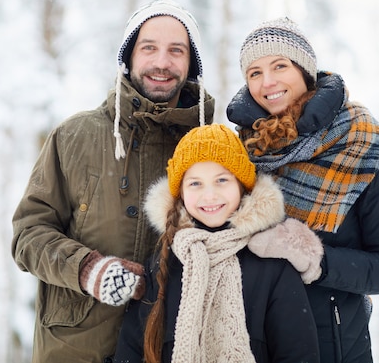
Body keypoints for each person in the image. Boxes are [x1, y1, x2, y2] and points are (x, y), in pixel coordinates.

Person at [11, 0, 215, 363]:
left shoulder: (209, 148)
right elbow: (29, 234)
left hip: (169, 350)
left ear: (191, 64)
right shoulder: (75, 136)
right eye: (148, 47)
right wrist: (87, 269)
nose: (161, 62)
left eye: (176, 51)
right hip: (75, 349)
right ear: (129, 56)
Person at [226, 17, 379, 363]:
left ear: (305, 71)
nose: (267, 82)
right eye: (254, 72)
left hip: (333, 347)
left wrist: (318, 260)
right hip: (251, 344)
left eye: (279, 66)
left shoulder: (361, 146)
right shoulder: (236, 153)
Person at [114, 124, 321, 363]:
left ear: (241, 185)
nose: (209, 195)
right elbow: (130, 352)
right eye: (195, 183)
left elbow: (298, 354)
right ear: (180, 192)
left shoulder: (272, 266)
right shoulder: (160, 266)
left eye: (222, 180)